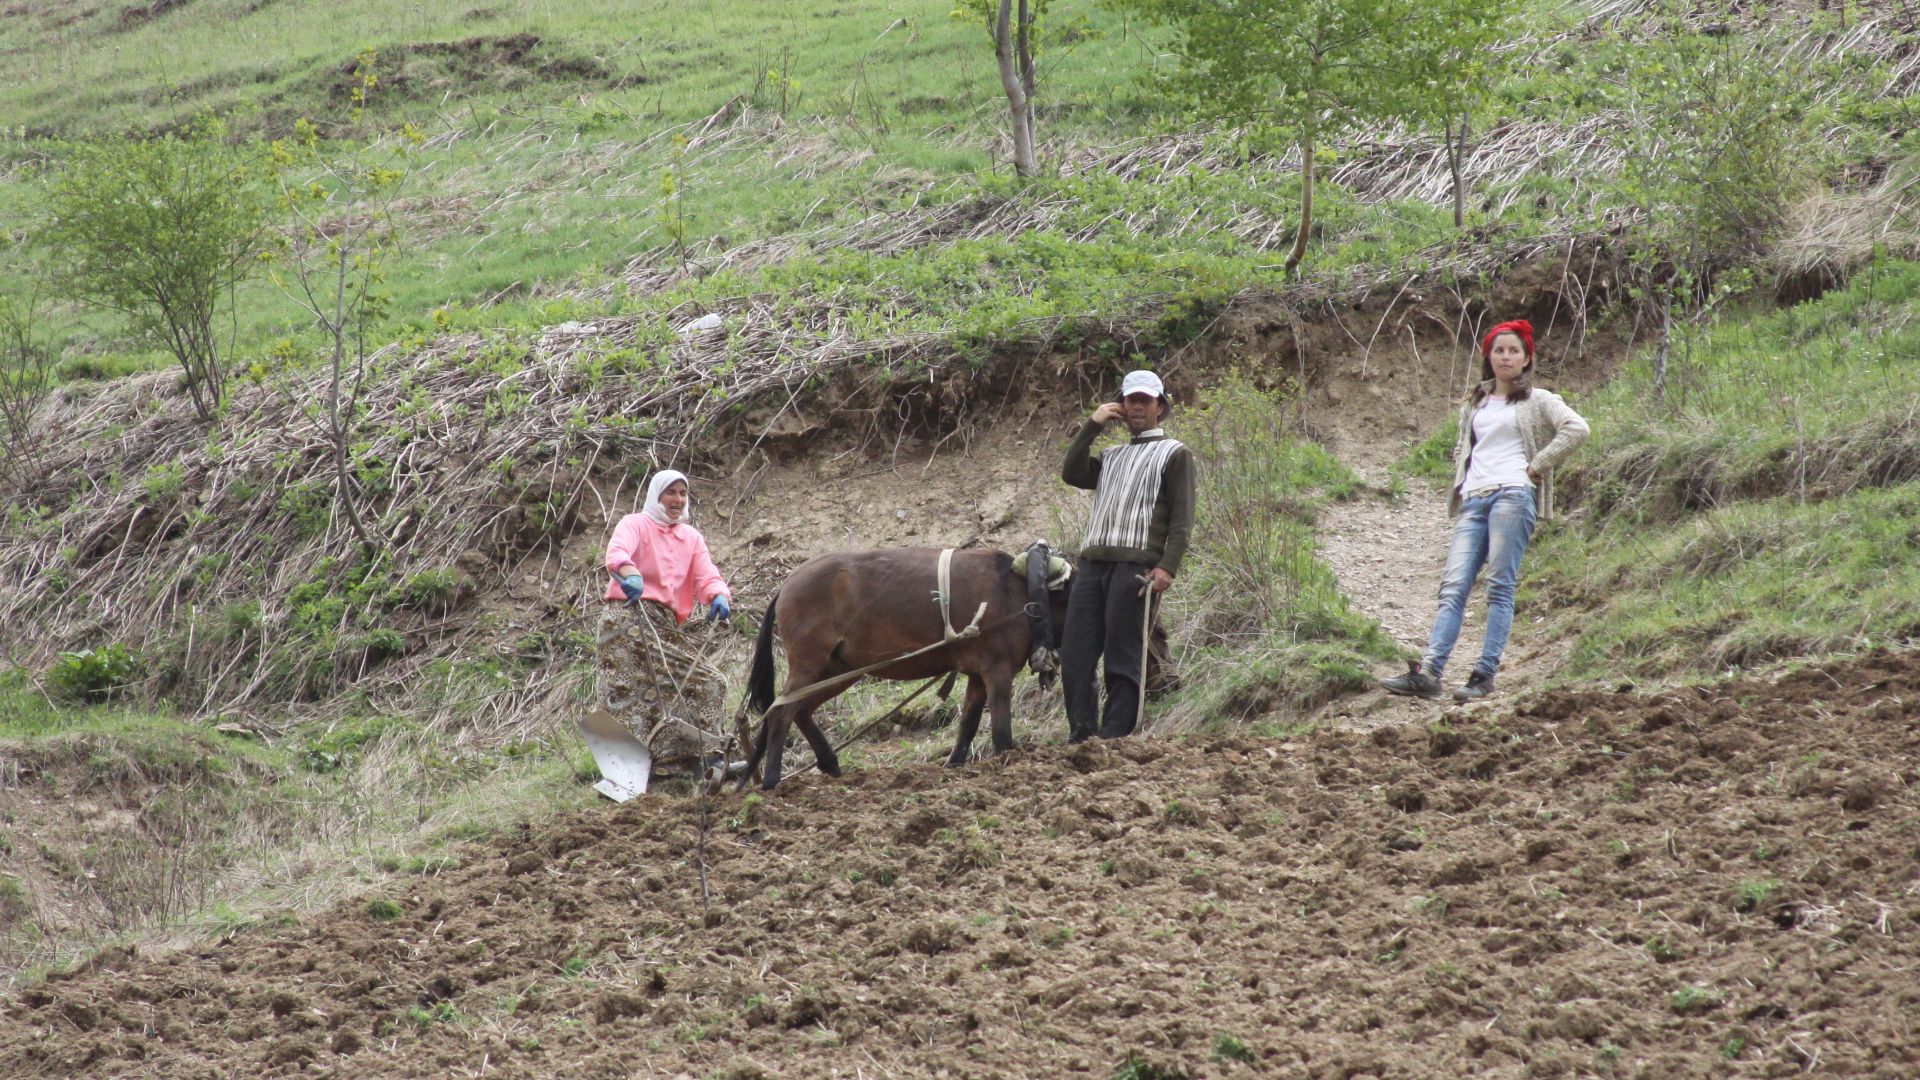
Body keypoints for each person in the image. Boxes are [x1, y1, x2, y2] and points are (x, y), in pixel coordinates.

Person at [1382, 319, 1589, 703]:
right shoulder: (1476, 401)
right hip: (1474, 500)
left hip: (1513, 495)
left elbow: (1577, 429)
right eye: (1499, 350)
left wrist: (1536, 466)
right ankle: (1430, 672)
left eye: (1513, 350)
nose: (1506, 357)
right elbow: (1466, 447)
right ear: (1488, 356)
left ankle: (1483, 675)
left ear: (1527, 358)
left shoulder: (1538, 399)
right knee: (1454, 586)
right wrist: (1461, 475)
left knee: (1499, 586)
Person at [1060, 369, 1196, 742]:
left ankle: (1115, 738)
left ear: (1159, 406)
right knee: (1075, 657)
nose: (1137, 407)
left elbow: (1183, 520)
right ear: (1121, 405)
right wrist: (1092, 425)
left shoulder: (1175, 453)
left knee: (1123, 660)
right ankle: (1081, 738)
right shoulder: (1111, 456)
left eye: (1144, 400)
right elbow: (1071, 473)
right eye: (1130, 400)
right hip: (1092, 567)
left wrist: (1167, 567)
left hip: (1135, 569)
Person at [597, 469, 735, 770]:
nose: (678, 499)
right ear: (656, 495)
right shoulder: (635, 524)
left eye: (683, 493)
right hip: (628, 616)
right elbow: (617, 553)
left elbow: (706, 574)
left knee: (687, 685)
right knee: (629, 694)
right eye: (671, 492)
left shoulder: (691, 538)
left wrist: (717, 595)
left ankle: (683, 761)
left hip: (663, 623)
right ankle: (629, 770)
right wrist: (630, 575)